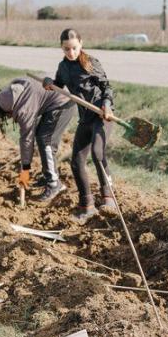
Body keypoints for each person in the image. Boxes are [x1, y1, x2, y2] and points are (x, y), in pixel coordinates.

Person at [42, 28, 116, 223]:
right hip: (85, 119)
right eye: (67, 49)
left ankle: (109, 198)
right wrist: (49, 82)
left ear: (80, 44)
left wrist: (107, 106)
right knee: (76, 162)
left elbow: (107, 87)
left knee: (98, 154)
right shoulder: (63, 67)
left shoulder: (90, 62)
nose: (71, 53)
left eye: (74, 48)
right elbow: (58, 84)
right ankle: (87, 205)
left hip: (101, 116)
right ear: (62, 48)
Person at [0, 77, 76, 202]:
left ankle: (54, 184)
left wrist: (25, 169)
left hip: (63, 104)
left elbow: (27, 140)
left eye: (8, 115)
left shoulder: (25, 109)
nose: (10, 117)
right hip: (56, 101)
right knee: (41, 136)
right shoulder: (17, 88)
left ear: (11, 109)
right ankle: (48, 176)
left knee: (46, 141)